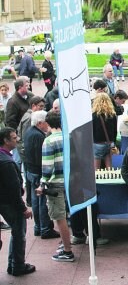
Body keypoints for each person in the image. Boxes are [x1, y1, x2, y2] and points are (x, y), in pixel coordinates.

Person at [0, 127, 36, 276]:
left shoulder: (4, 158)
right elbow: (14, 190)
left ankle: (14, 264)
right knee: (19, 233)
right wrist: (23, 208)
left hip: (5, 201)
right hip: (9, 203)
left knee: (17, 233)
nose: (17, 140)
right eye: (14, 138)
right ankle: (17, 265)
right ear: (6, 141)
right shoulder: (6, 162)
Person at [40, 111, 75, 262]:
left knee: (59, 217)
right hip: (70, 180)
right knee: (67, 214)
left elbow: (47, 166)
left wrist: (43, 183)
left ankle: (67, 250)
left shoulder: (49, 141)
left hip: (55, 183)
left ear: (48, 124)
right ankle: (66, 242)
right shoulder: (69, 137)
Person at [24, 110, 59, 239]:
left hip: (31, 170)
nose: (48, 125)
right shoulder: (39, 136)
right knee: (43, 201)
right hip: (38, 172)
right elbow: (42, 157)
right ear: (40, 123)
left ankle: (38, 227)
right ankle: (45, 228)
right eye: (46, 122)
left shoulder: (30, 132)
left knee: (36, 200)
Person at [92, 93, 118, 169]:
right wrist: (113, 143)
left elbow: (92, 131)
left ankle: (97, 180)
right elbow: (115, 131)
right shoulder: (112, 115)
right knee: (109, 166)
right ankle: (109, 179)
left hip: (98, 143)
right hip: (110, 143)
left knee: (96, 168)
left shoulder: (94, 115)